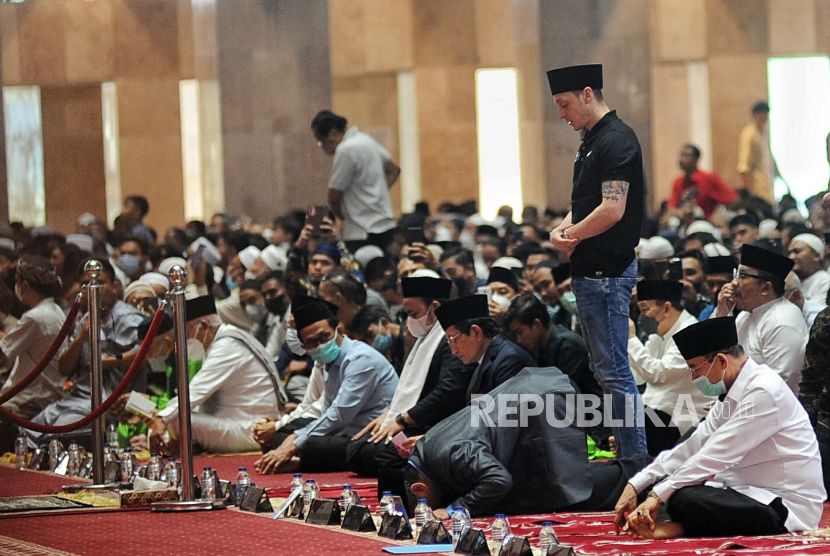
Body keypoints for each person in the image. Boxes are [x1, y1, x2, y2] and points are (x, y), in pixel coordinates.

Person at [615, 317, 825, 539]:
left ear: (722, 361)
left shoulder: (764, 391)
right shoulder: (730, 392)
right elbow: (693, 446)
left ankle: (678, 528)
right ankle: (674, 523)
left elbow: (715, 455)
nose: (695, 378)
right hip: (743, 492)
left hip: (783, 505)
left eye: (695, 369)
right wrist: (637, 484)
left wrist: (657, 496)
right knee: (669, 487)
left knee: (680, 496)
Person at [546, 63, 647, 456]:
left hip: (608, 271)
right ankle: (628, 459)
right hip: (591, 270)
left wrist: (570, 235)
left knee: (615, 374)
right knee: (606, 373)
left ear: (588, 95)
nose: (561, 114)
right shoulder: (591, 138)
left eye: (565, 104)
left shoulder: (617, 139)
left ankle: (634, 468)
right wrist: (563, 228)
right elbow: (586, 205)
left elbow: (613, 209)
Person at [406, 368, 651, 518]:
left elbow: (498, 480)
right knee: (570, 476)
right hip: (538, 395)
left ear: (420, 489)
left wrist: (455, 509)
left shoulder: (450, 455)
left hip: (543, 408)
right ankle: (643, 469)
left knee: (567, 490)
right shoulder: (427, 444)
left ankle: (645, 471)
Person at [346, 275, 475, 496]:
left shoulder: (449, 339)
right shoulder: (423, 338)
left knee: (382, 454)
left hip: (436, 423)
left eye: (413, 314)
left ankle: (405, 503)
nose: (409, 320)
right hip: (418, 419)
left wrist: (404, 419)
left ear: (434, 308)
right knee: (356, 449)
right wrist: (391, 414)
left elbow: (448, 391)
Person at [255, 298, 398, 473]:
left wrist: (295, 441)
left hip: (366, 433)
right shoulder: (328, 362)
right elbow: (326, 410)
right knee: (279, 436)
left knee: (309, 445)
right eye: (311, 342)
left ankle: (300, 462)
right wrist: (293, 436)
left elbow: (339, 414)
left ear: (338, 330)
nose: (320, 345)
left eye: (324, 337)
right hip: (342, 430)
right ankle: (300, 458)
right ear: (304, 346)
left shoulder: (360, 359)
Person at [24, 258, 145, 448]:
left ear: (115, 286)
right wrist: (81, 337)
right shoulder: (84, 318)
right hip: (75, 397)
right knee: (27, 433)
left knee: (56, 436)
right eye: (85, 284)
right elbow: (64, 367)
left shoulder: (128, 317)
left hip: (108, 401)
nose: (92, 288)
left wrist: (104, 361)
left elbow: (143, 354)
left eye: (99, 282)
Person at [148, 296, 287, 453]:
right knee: (176, 417)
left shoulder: (227, 346)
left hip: (254, 429)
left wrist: (161, 419)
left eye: (186, 333)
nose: (185, 340)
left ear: (203, 325)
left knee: (178, 421)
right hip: (240, 424)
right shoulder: (224, 340)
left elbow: (195, 393)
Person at [628, 280, 711, 456]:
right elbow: (640, 377)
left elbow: (658, 374)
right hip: (659, 415)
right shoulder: (660, 334)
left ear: (666, 308)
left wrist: (631, 339)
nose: (642, 318)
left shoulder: (690, 332)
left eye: (644, 310)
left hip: (683, 420)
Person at [715, 244, 807, 393]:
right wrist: (721, 314)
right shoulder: (745, 316)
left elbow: (780, 385)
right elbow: (715, 362)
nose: (733, 283)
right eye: (736, 275)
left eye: (743, 276)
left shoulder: (783, 321)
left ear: (765, 288)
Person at [311, 110, 400, 253]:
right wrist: (377, 193)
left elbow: (334, 196)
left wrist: (342, 217)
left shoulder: (345, 149)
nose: (322, 148)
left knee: (361, 271)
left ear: (333, 134)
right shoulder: (366, 140)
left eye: (321, 142)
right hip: (384, 223)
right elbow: (394, 170)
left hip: (361, 229)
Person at [0, 256, 66, 419]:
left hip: (30, 399)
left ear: (24, 285)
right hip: (47, 392)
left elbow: (2, 356)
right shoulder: (55, 310)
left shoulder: (35, 317)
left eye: (17, 281)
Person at [436, 294, 534, 403]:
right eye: (449, 342)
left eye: (453, 339)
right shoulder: (485, 359)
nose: (453, 351)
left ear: (476, 332)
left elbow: (506, 415)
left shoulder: (509, 361)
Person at [669, 144, 736, 219]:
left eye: (686, 155)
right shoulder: (678, 182)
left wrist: (719, 216)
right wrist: (681, 213)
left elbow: (731, 199)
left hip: (709, 224)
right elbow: (672, 208)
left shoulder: (709, 178)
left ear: (696, 159)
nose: (681, 159)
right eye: (681, 155)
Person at [737, 101, 776, 206]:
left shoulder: (764, 133)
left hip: (767, 182)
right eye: (761, 117)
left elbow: (769, 157)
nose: (763, 120)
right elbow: (744, 165)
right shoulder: (749, 135)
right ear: (755, 116)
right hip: (756, 186)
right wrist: (746, 190)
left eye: (765, 117)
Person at [787, 233, 829, 325]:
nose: (791, 257)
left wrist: (802, 304)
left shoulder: (825, 281)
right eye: (789, 253)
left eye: (797, 251)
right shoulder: (794, 281)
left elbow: (822, 318)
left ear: (816, 256)